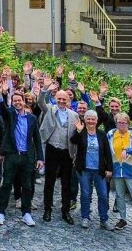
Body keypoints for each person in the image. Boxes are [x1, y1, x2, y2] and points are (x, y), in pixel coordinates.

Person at [0, 90, 43, 227]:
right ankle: (1, 212)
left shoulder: (32, 118)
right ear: (12, 102)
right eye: (14, 100)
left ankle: (26, 213)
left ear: (23, 101)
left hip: (27, 157)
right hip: (12, 156)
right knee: (6, 184)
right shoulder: (10, 115)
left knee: (27, 186)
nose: (17, 102)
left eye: (19, 100)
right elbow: (3, 110)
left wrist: (40, 158)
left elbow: (37, 139)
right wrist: (0, 96)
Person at [39, 89, 79, 224]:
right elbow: (40, 102)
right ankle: (47, 208)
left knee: (66, 182)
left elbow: (76, 134)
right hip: (52, 148)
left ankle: (65, 210)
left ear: (69, 100)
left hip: (67, 151)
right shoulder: (50, 109)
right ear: (55, 98)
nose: (61, 101)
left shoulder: (74, 115)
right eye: (59, 99)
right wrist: (44, 90)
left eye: (64, 99)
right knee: (49, 181)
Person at [71, 109, 113, 229]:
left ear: (96, 121)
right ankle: (85, 217)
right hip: (84, 169)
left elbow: (107, 153)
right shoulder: (81, 132)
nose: (90, 121)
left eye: (93, 119)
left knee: (103, 195)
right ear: (85, 120)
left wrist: (109, 169)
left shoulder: (101, 134)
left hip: (99, 170)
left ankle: (104, 219)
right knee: (85, 194)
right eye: (88, 119)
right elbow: (73, 141)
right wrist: (78, 131)